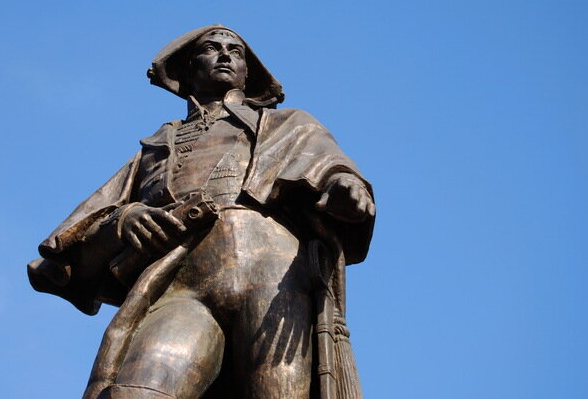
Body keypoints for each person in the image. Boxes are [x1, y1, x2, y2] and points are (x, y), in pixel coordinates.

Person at [28, 25, 376, 399]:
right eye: (212, 48)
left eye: (236, 51)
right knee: (135, 391)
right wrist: (124, 220)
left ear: (247, 73)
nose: (225, 55)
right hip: (180, 281)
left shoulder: (286, 125)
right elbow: (84, 230)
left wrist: (346, 187)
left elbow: (332, 167)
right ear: (190, 68)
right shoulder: (156, 147)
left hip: (274, 279)